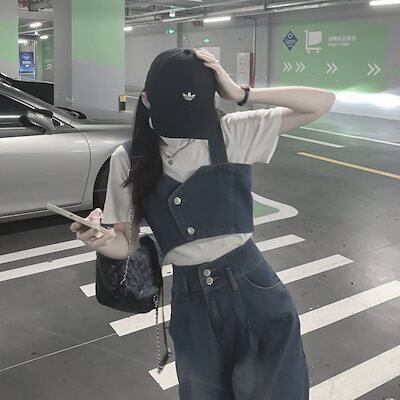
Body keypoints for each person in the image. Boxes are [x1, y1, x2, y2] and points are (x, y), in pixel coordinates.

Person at [70, 47, 335, 400]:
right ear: (146, 100)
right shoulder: (129, 158)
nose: (187, 129)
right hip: (189, 298)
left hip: (251, 287)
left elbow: (322, 102)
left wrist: (241, 93)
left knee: (273, 390)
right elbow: (127, 244)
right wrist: (101, 240)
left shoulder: (232, 131)